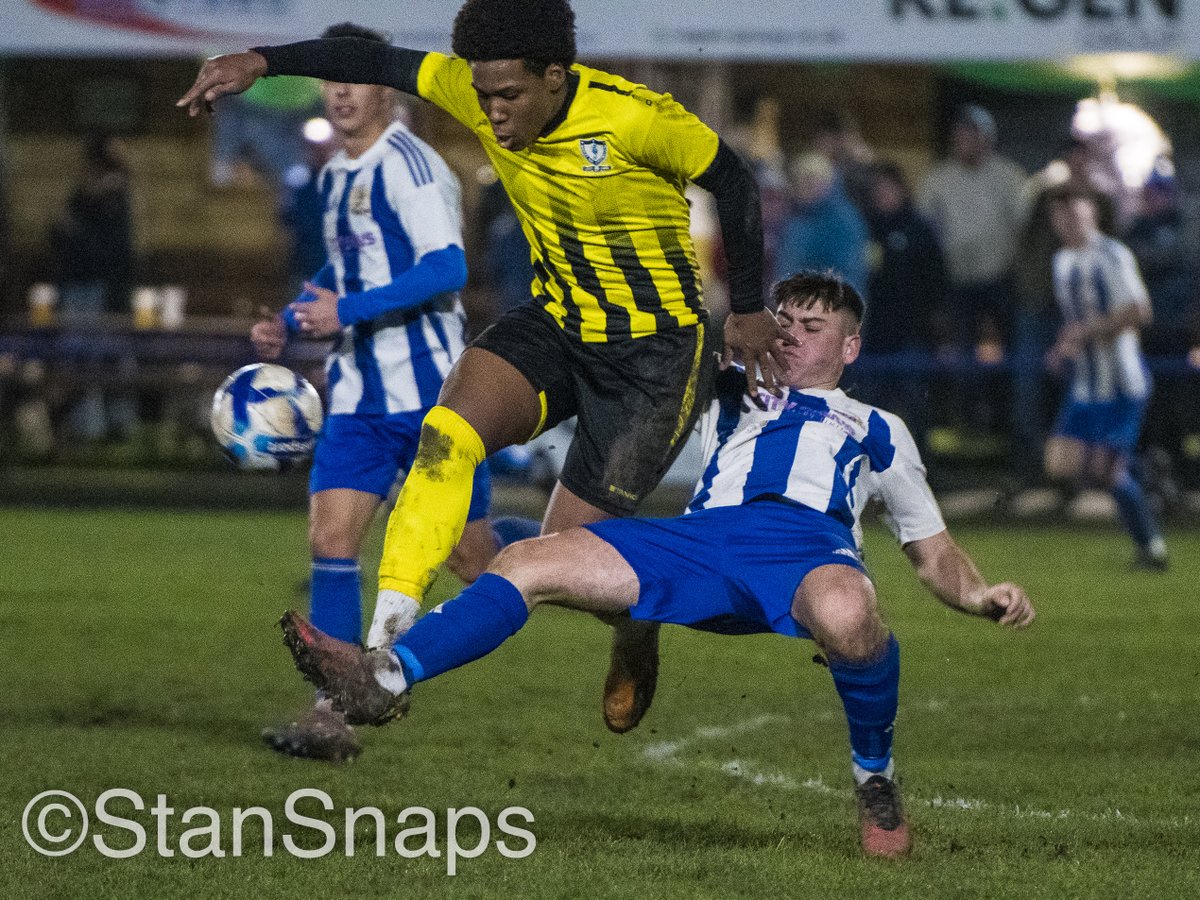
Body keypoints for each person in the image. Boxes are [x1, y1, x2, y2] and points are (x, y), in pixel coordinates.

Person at [179, 0, 792, 735]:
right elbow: (373, 62)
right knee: (447, 434)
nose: (493, 114)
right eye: (484, 95)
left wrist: (749, 306)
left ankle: (634, 627)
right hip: (558, 322)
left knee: (564, 564)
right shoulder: (471, 86)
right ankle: (380, 651)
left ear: (556, 78)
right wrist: (261, 60)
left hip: (654, 360)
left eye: (510, 97)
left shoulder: (635, 118)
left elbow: (735, 180)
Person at [278, 271, 1036, 860]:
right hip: (699, 541)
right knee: (527, 559)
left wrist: (979, 595)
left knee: (847, 613)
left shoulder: (880, 429)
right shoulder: (728, 386)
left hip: (806, 551)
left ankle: (876, 785)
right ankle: (384, 678)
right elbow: (650, 361)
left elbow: (932, 552)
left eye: (815, 328)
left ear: (850, 347)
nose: (795, 338)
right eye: (786, 324)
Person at [251, 23, 501, 763]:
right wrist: (294, 319)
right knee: (332, 541)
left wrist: (344, 312)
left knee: (474, 561)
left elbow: (447, 268)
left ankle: (565, 558)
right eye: (331, 79)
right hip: (359, 394)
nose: (342, 91)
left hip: (431, 394)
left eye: (355, 78)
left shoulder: (412, 168)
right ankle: (334, 707)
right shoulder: (335, 176)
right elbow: (345, 273)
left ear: (385, 88)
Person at [1044, 186, 1168, 570]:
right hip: (1085, 384)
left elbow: (1140, 312)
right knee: (1059, 463)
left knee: (1107, 472)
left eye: (1075, 209)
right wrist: (1065, 343)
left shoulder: (1113, 255)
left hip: (1121, 383)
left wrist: (1086, 332)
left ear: (1092, 213)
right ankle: (1146, 471)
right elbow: (1076, 319)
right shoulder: (1062, 261)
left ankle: (1152, 548)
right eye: (1060, 212)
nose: (1068, 218)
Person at [774, 152, 869, 297]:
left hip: (828, 306)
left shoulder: (843, 219)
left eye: (811, 180)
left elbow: (847, 271)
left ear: (827, 182)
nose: (804, 186)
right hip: (794, 304)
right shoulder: (796, 216)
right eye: (800, 180)